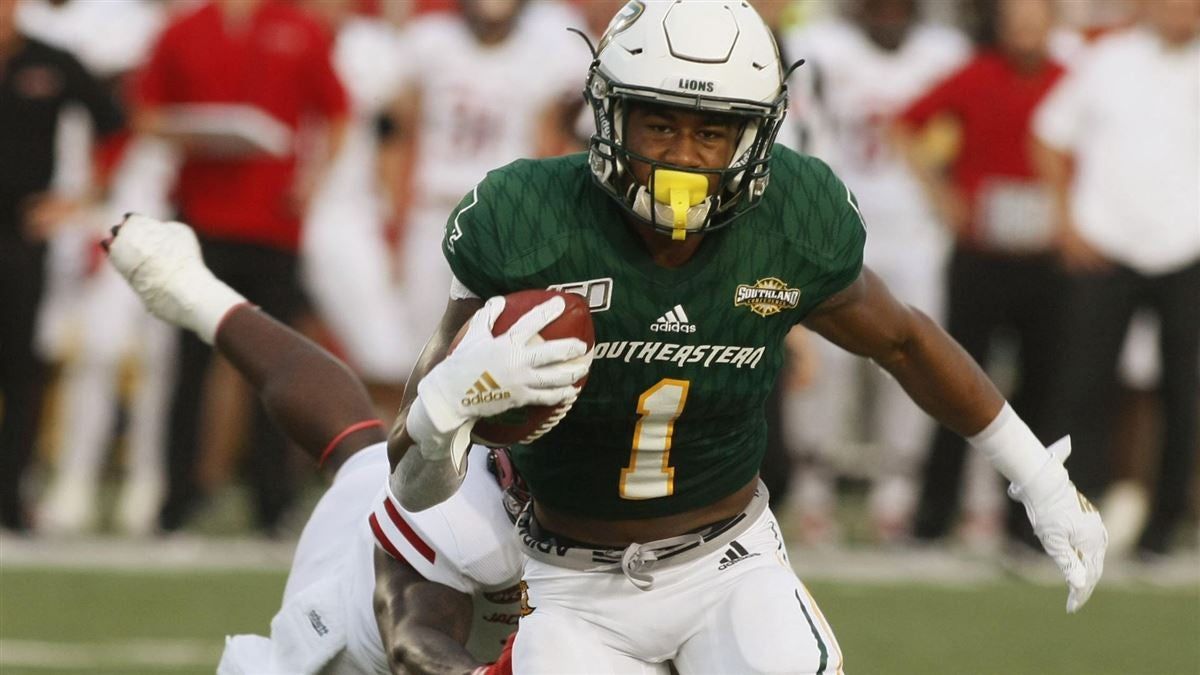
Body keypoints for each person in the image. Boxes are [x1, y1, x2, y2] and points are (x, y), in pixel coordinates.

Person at [387, 1, 1107, 672]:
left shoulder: (790, 218)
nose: (684, 157)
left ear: (757, 135)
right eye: (660, 125)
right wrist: (446, 402)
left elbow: (904, 342)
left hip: (728, 565)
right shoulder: (528, 220)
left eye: (712, 132)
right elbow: (409, 479)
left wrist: (1036, 472)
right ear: (610, 115)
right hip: (567, 579)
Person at [105, 214, 520, 675]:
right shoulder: (463, 515)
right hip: (351, 642)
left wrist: (193, 294)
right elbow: (414, 643)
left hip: (384, 492)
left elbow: (347, 432)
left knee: (361, 452)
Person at [131, 0, 350, 534]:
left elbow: (337, 110)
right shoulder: (183, 30)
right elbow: (145, 114)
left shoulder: (299, 28)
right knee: (189, 367)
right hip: (201, 219)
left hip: (274, 221)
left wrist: (313, 180)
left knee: (275, 368)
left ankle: (271, 501)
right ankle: (176, 498)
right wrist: (199, 132)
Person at [782, 0, 971, 542]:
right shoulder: (818, 45)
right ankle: (813, 489)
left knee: (916, 357)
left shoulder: (945, 52)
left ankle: (899, 491)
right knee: (826, 368)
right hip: (839, 226)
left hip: (917, 230)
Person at [891, 0, 1068, 550]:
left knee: (1042, 390)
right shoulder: (977, 74)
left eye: (1035, 21)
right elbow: (902, 124)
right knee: (955, 382)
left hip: (1045, 258)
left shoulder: (1071, 82)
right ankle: (933, 515)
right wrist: (941, 194)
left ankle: (1029, 524)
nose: (1025, 33)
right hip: (981, 255)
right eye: (1017, 21)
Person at [1032, 0, 1200, 557]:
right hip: (1103, 248)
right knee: (1077, 387)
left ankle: (1164, 527)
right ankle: (1064, 521)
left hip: (1187, 250)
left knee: (1186, 396)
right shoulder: (1108, 59)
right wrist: (1065, 222)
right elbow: (1049, 136)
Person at [0, 0, 125, 532]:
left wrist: (81, 197)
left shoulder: (49, 60)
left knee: (18, 367)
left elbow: (116, 123)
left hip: (21, 233)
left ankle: (10, 496)